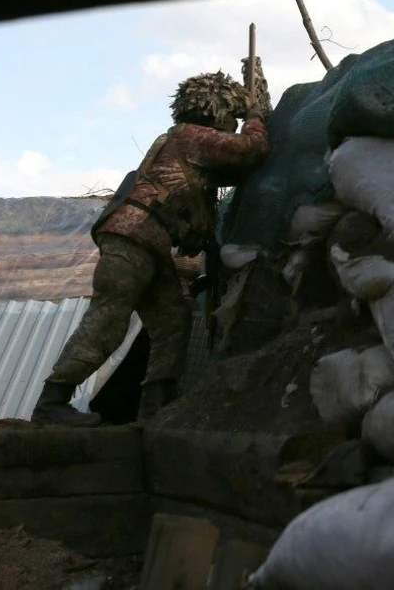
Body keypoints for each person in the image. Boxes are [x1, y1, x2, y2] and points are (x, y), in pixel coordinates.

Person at [31, 66, 270, 427]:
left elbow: (236, 169)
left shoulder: (190, 147)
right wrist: (254, 116)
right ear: (215, 111)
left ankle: (154, 412)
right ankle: (52, 402)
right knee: (109, 317)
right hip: (135, 237)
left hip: (150, 244)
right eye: (231, 116)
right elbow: (251, 149)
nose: (231, 124)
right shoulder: (191, 136)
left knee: (173, 320)